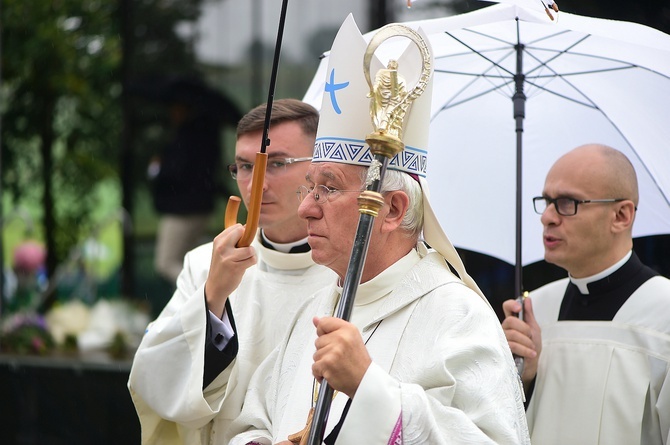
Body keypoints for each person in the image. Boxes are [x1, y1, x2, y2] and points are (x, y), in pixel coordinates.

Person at [227, 15, 529, 444]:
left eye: (328, 188)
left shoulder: (458, 319)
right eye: (308, 187)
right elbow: (253, 422)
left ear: (393, 209)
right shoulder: (317, 307)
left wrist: (369, 387)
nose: (308, 208)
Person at [128, 99, 338, 444]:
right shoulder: (203, 265)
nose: (256, 184)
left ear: (319, 169)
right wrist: (213, 297)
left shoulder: (350, 273)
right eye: (243, 166)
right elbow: (156, 381)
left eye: (278, 164)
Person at [502, 143, 670, 444]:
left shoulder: (664, 312)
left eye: (567, 202)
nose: (547, 217)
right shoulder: (533, 309)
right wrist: (522, 379)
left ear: (621, 215)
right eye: (547, 201)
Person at [148, 75, 242, 284]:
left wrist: (159, 167)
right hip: (197, 206)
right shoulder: (201, 133)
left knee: (166, 263)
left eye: (176, 106)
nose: (172, 112)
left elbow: (178, 172)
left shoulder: (191, 136)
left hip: (184, 208)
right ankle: (199, 298)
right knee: (187, 260)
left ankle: (202, 292)